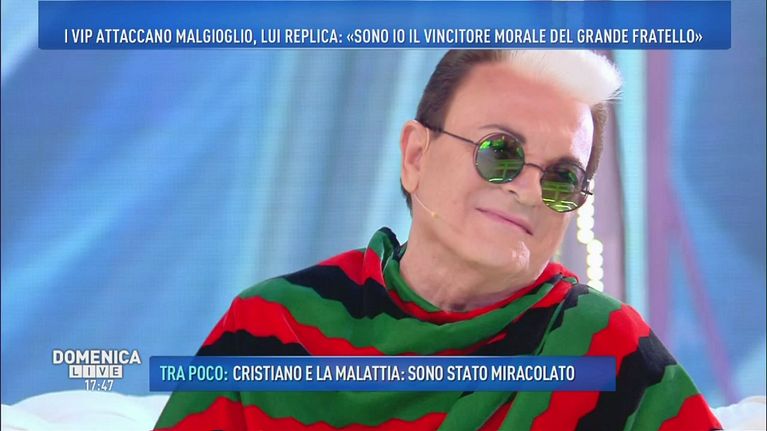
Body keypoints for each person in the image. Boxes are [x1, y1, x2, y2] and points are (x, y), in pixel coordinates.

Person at [155, 50, 722, 430]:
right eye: (500, 152)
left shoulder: (607, 349)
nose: (529, 191)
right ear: (416, 157)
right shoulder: (272, 326)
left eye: (561, 178)